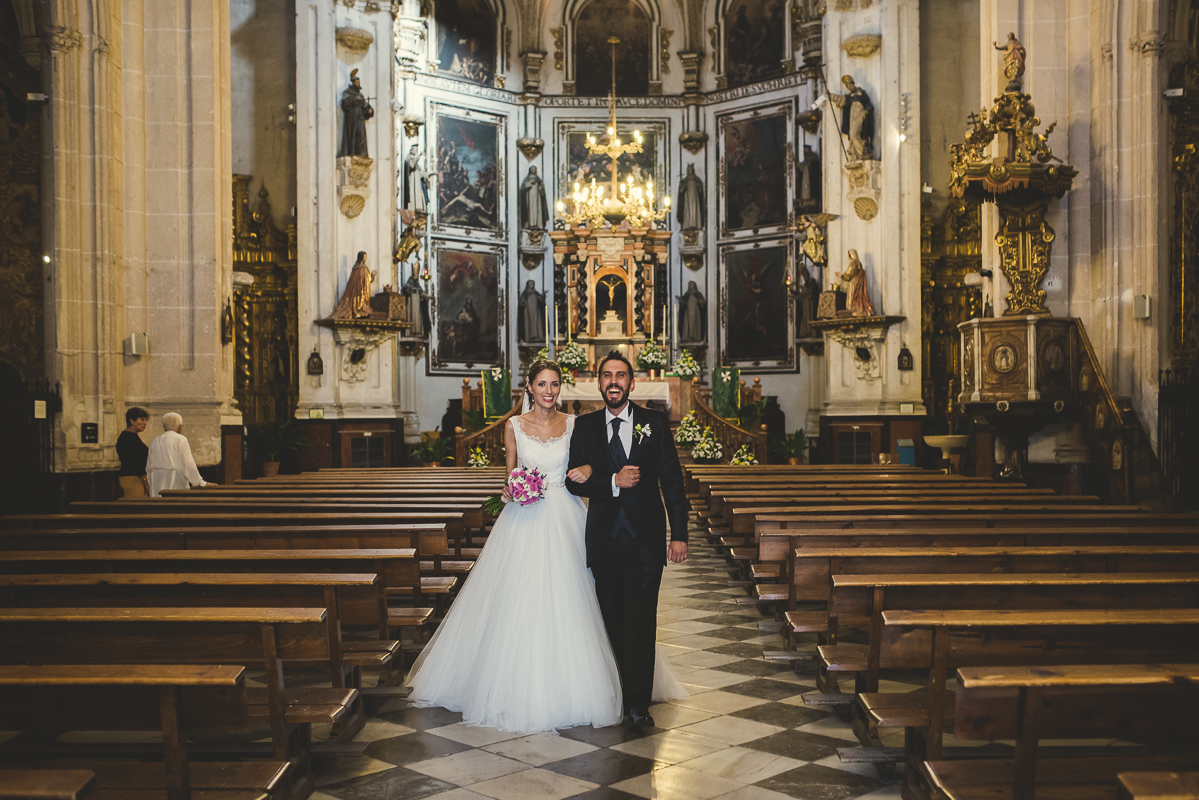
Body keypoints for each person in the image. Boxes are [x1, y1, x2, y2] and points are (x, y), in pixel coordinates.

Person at [406, 359, 685, 733]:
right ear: (531, 388)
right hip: (542, 522)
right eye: (542, 384)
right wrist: (515, 488)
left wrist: (678, 533)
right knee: (554, 606)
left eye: (554, 384)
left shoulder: (580, 425)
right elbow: (533, 474)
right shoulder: (551, 425)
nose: (549, 391)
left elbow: (656, 478)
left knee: (614, 613)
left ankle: (632, 699)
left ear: (631, 384)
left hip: (598, 526)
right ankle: (582, 686)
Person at [566, 351, 690, 729]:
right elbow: (572, 480)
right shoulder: (584, 427)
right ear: (598, 382)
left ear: (632, 383)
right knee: (610, 623)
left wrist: (679, 534)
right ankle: (614, 694)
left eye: (620, 375)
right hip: (604, 540)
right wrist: (611, 483)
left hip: (645, 540)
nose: (614, 382)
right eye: (607, 376)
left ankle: (637, 705)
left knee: (640, 623)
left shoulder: (653, 422)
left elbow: (671, 479)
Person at [145, 412, 218, 497]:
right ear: (179, 426)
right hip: (174, 479)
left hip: (156, 479)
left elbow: (149, 467)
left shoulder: (155, 441)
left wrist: (150, 482)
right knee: (173, 507)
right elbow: (188, 463)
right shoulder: (180, 439)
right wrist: (200, 482)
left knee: (158, 507)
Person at [338, 69, 373, 158]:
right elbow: (344, 103)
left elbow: (364, 105)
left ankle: (361, 153)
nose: (358, 84)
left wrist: (369, 110)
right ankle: (352, 152)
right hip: (351, 119)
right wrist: (355, 99)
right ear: (353, 83)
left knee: (361, 135)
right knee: (352, 137)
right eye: (357, 82)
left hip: (360, 118)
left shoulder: (360, 95)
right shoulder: (347, 92)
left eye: (359, 82)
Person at [116, 406, 150, 498]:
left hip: (135, 478)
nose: (145, 423)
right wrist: (145, 481)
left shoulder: (131, 436)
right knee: (137, 509)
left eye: (146, 420)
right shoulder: (128, 438)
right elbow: (135, 462)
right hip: (132, 479)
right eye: (142, 420)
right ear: (132, 421)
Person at [332, 251, 373, 319]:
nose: (366, 258)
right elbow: (368, 281)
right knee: (361, 304)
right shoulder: (363, 268)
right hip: (361, 292)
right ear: (362, 257)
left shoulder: (355, 268)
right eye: (365, 257)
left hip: (355, 293)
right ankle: (360, 310)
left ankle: (357, 309)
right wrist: (373, 275)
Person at [519, 166, 548, 230]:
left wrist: (541, 188)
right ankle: (529, 224)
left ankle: (538, 224)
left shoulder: (538, 179)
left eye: (535, 169)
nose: (534, 170)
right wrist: (529, 183)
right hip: (529, 199)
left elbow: (542, 191)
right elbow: (522, 188)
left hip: (537, 200)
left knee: (537, 211)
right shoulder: (527, 179)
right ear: (530, 171)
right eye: (532, 169)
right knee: (530, 211)